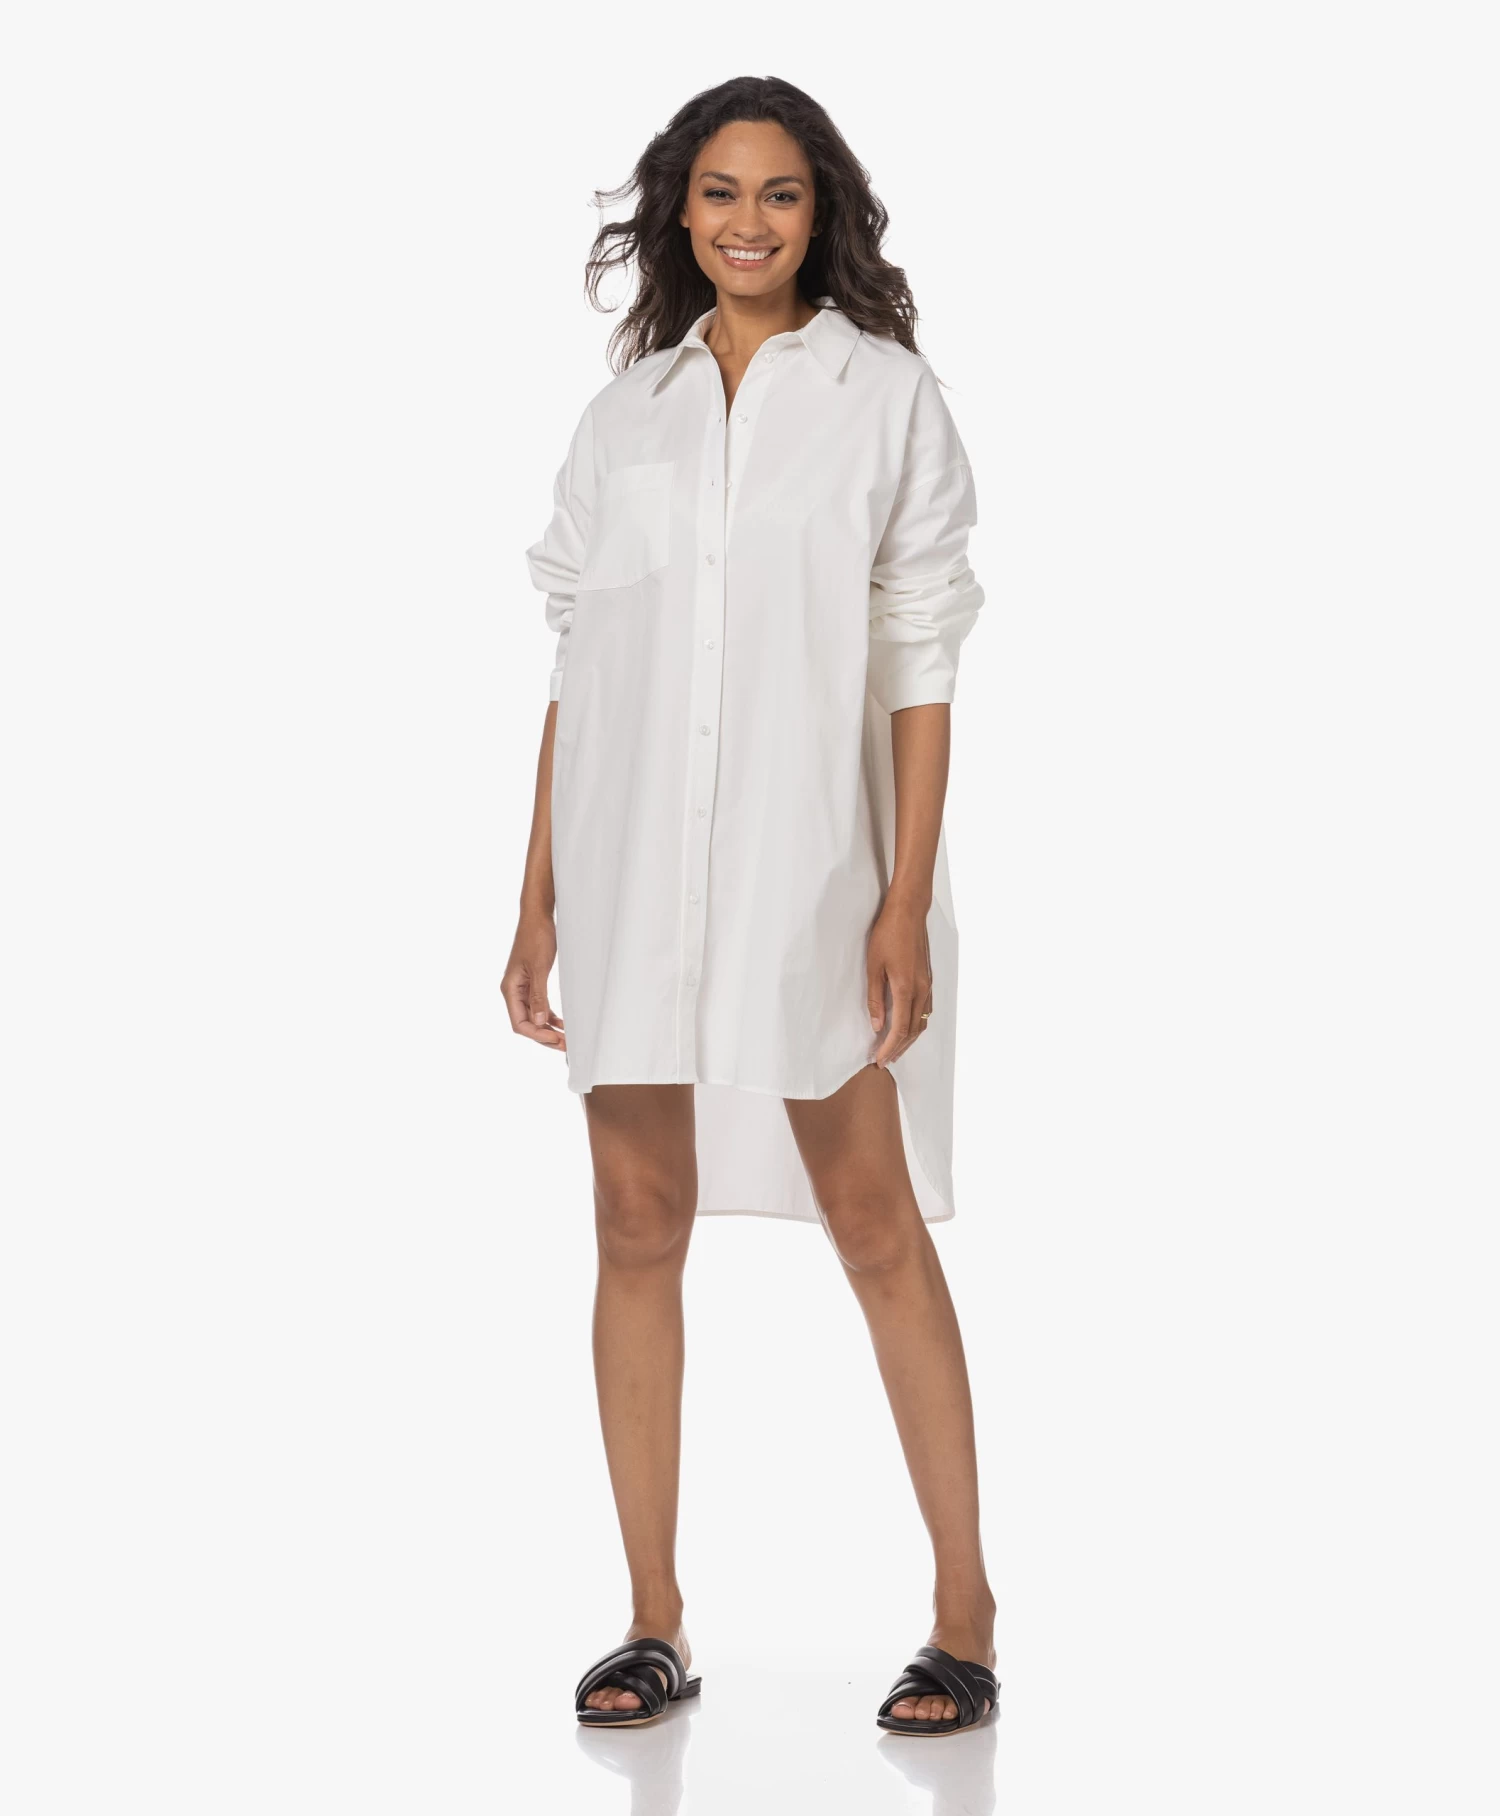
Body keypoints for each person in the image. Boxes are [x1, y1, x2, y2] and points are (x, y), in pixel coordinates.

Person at [503, 75, 997, 1739]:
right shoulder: (626, 416)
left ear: (821, 211)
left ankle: (965, 1612)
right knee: (635, 1218)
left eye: (780, 193)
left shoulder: (884, 397)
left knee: (873, 1216)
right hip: (630, 867)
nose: (748, 222)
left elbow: (920, 656)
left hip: (811, 867)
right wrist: (536, 898)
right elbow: (578, 665)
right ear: (680, 208)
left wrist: (902, 900)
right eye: (720, 192)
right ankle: (653, 1620)